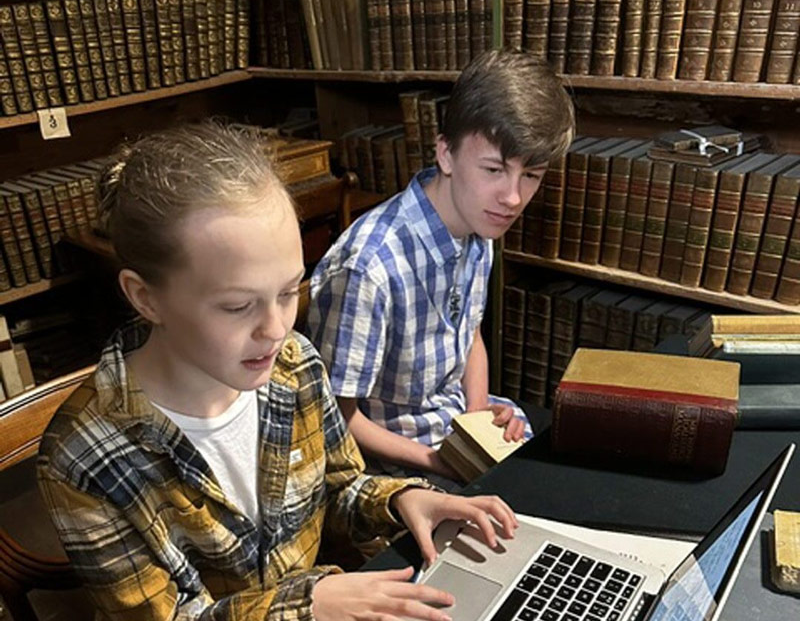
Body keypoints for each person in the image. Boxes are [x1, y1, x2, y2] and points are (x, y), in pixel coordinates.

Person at [36, 122, 520, 621]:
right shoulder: (83, 457)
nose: (275, 328)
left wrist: (403, 500)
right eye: (237, 306)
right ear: (145, 297)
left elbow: (340, 488)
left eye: (289, 291)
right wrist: (307, 605)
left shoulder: (296, 365)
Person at [307, 50, 575, 487]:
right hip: (391, 463)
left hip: (448, 427)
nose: (513, 197)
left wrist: (476, 423)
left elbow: (467, 333)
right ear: (445, 154)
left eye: (532, 175)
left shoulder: (478, 225)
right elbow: (334, 419)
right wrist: (439, 461)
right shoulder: (369, 268)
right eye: (494, 169)